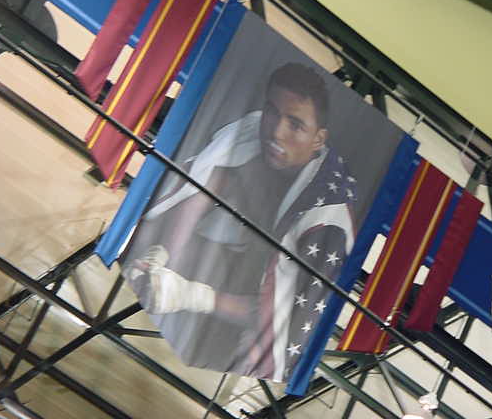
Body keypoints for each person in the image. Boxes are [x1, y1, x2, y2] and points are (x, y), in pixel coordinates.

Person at [122, 62, 357, 382]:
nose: (276, 132)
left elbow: (283, 316)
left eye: (295, 125)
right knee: (154, 246)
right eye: (272, 112)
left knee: (213, 369)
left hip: (260, 296)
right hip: (234, 259)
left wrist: (191, 295)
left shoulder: (327, 218)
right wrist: (160, 255)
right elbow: (203, 189)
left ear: (318, 139)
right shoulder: (249, 134)